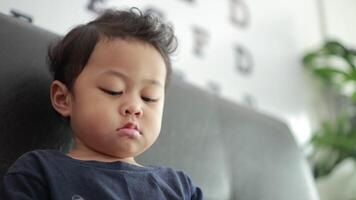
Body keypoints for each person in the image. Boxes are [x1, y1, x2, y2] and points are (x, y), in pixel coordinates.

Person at [1, 8, 203, 199]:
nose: (134, 107)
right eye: (113, 89)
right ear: (64, 98)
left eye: (149, 97)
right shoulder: (39, 172)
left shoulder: (179, 187)